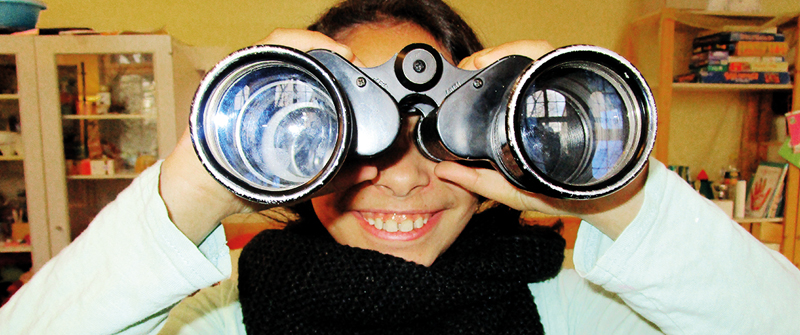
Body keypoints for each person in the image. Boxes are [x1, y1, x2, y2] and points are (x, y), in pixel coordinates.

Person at [2, 0, 800, 333]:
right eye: (353, 139)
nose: (402, 175)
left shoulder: (581, 302)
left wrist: (607, 180)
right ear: (294, 157)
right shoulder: (206, 312)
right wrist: (199, 178)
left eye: (443, 135)